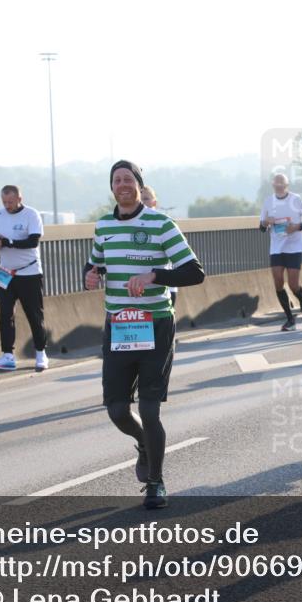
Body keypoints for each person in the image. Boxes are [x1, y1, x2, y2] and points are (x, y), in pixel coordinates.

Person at [83, 160, 205, 509]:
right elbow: (96, 265)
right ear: (112, 187)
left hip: (155, 324)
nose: (122, 184)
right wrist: (91, 275)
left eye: (128, 179)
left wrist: (154, 276)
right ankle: (143, 444)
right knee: (118, 410)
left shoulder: (161, 224)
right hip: (119, 325)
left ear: (139, 184)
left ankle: (156, 481)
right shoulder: (104, 225)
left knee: (150, 411)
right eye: (116, 180)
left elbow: (194, 273)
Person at [0, 186, 49, 372]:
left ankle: (40, 353)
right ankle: (7, 355)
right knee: (5, 315)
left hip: (29, 273)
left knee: (34, 314)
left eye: (10, 202)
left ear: (19, 198)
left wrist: (7, 242)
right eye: (4, 202)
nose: (7, 206)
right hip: (5, 272)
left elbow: (33, 242)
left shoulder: (31, 215)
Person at [260, 173, 302, 331]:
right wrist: (265, 222)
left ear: (287, 185)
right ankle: (290, 319)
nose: (279, 187)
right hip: (276, 247)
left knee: (293, 284)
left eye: (282, 184)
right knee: (277, 282)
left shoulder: (296, 199)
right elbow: (262, 228)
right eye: (276, 184)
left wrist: (295, 227)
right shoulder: (268, 202)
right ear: (273, 185)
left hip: (294, 246)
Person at [141, 185, 178, 310]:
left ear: (154, 202)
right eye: (140, 199)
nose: (143, 203)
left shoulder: (164, 224)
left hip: (165, 290)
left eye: (146, 199)